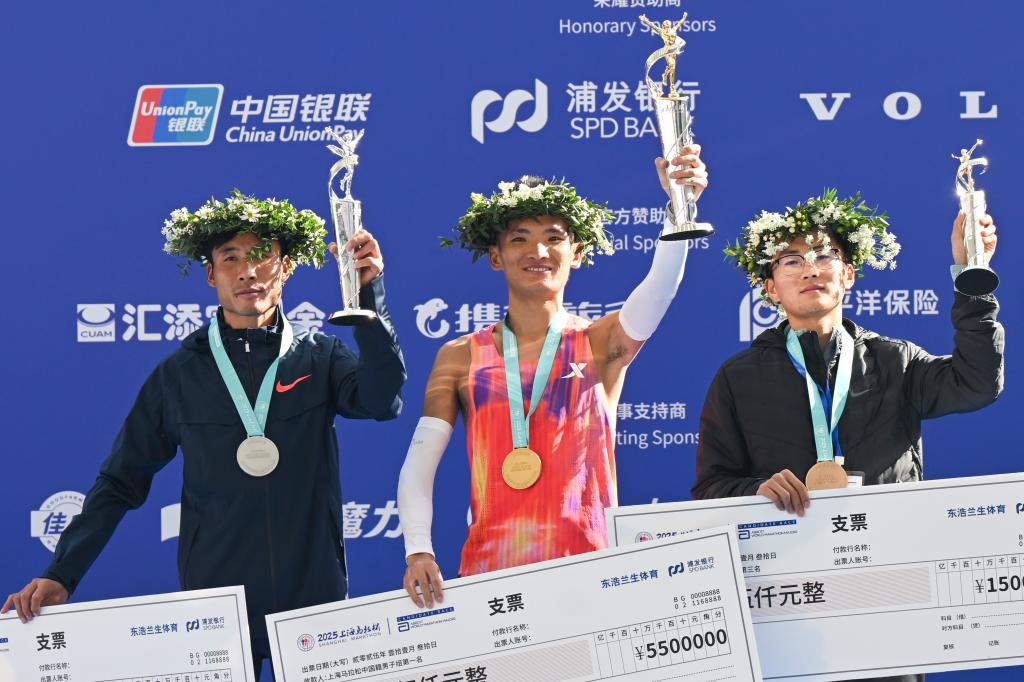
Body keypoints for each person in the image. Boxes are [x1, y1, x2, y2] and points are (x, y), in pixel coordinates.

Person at [2, 190, 406, 675]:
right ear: (211, 274)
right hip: (216, 603)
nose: (247, 271)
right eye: (230, 258)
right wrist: (62, 573)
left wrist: (369, 296)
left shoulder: (320, 357)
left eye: (262, 255)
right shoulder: (180, 374)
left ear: (286, 268)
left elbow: (383, 401)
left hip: (313, 592)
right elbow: (120, 481)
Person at [398, 149, 709, 607]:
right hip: (491, 576)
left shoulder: (602, 343)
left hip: (593, 572)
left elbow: (660, 288)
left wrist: (679, 208)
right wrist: (418, 549)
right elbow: (420, 463)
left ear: (576, 253)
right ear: (495, 257)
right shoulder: (459, 357)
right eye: (519, 239)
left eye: (554, 238)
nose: (538, 252)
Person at [695, 189, 1003, 520]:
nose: (810, 270)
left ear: (848, 275)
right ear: (771, 289)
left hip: (891, 539)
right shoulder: (738, 378)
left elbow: (977, 383)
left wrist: (972, 274)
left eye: (824, 256)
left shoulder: (896, 361)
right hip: (788, 545)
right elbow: (711, 486)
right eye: (792, 261)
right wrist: (757, 491)